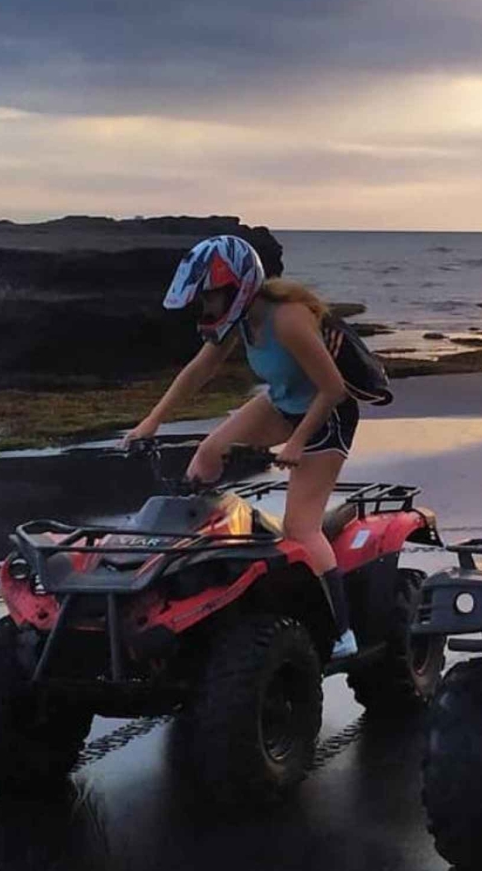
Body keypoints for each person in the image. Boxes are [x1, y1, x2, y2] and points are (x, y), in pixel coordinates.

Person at [123, 235, 360, 658]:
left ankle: (342, 631)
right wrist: (151, 422)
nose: (205, 307)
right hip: (284, 402)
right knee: (207, 454)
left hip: (326, 416)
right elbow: (198, 371)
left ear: (237, 286)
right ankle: (201, 571)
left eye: (209, 297)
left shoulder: (287, 319)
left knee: (301, 529)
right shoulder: (241, 320)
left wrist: (297, 444)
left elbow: (333, 388)